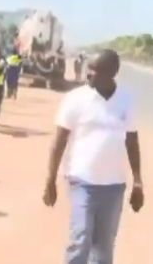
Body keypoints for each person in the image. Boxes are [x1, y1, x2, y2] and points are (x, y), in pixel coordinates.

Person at [43, 49, 144, 264]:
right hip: (82, 182)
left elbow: (132, 141)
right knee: (80, 239)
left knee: (104, 247)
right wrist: (50, 180)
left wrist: (138, 182)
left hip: (114, 186)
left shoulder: (126, 99)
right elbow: (59, 142)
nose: (88, 73)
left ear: (112, 72)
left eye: (94, 69)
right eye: (88, 68)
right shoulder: (75, 99)